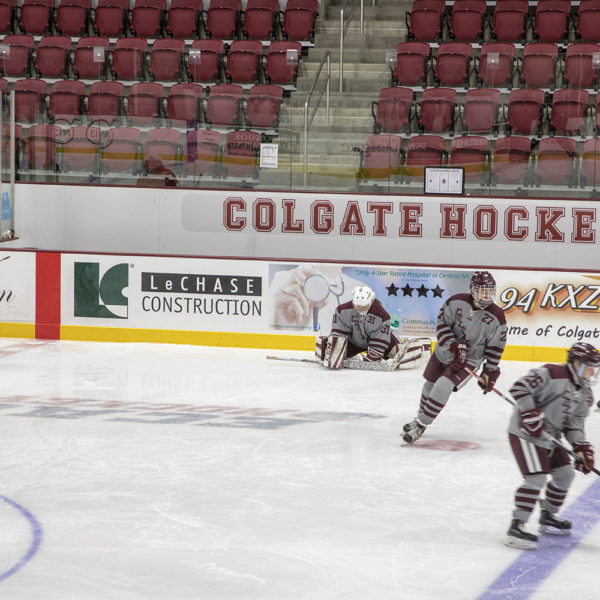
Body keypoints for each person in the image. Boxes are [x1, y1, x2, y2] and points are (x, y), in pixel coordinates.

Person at [504, 342, 600, 550]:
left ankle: (547, 515)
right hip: (525, 434)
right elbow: (519, 387)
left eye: (595, 368)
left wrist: (581, 447)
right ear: (575, 363)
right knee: (536, 477)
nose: (592, 372)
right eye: (588, 366)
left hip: (550, 436)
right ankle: (516, 526)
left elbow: (574, 426)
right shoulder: (552, 373)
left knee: (565, 474)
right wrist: (530, 412)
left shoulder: (586, 395)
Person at [402, 270, 507, 443]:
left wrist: (490, 371)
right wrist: (453, 344)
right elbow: (442, 324)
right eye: (482, 290)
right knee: (429, 386)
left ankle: (421, 424)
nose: (486, 295)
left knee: (443, 385)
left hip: (469, 361)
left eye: (489, 290)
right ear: (473, 290)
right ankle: (419, 418)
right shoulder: (456, 301)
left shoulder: (497, 316)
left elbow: (496, 347)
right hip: (444, 353)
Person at [315, 285, 430, 370]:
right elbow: (339, 333)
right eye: (357, 306)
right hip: (354, 341)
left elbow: (380, 338)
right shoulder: (342, 310)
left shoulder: (382, 315)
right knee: (327, 350)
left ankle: (421, 347)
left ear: (371, 301)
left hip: (383, 341)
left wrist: (372, 357)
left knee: (400, 353)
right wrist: (335, 350)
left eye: (364, 306)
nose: (360, 309)